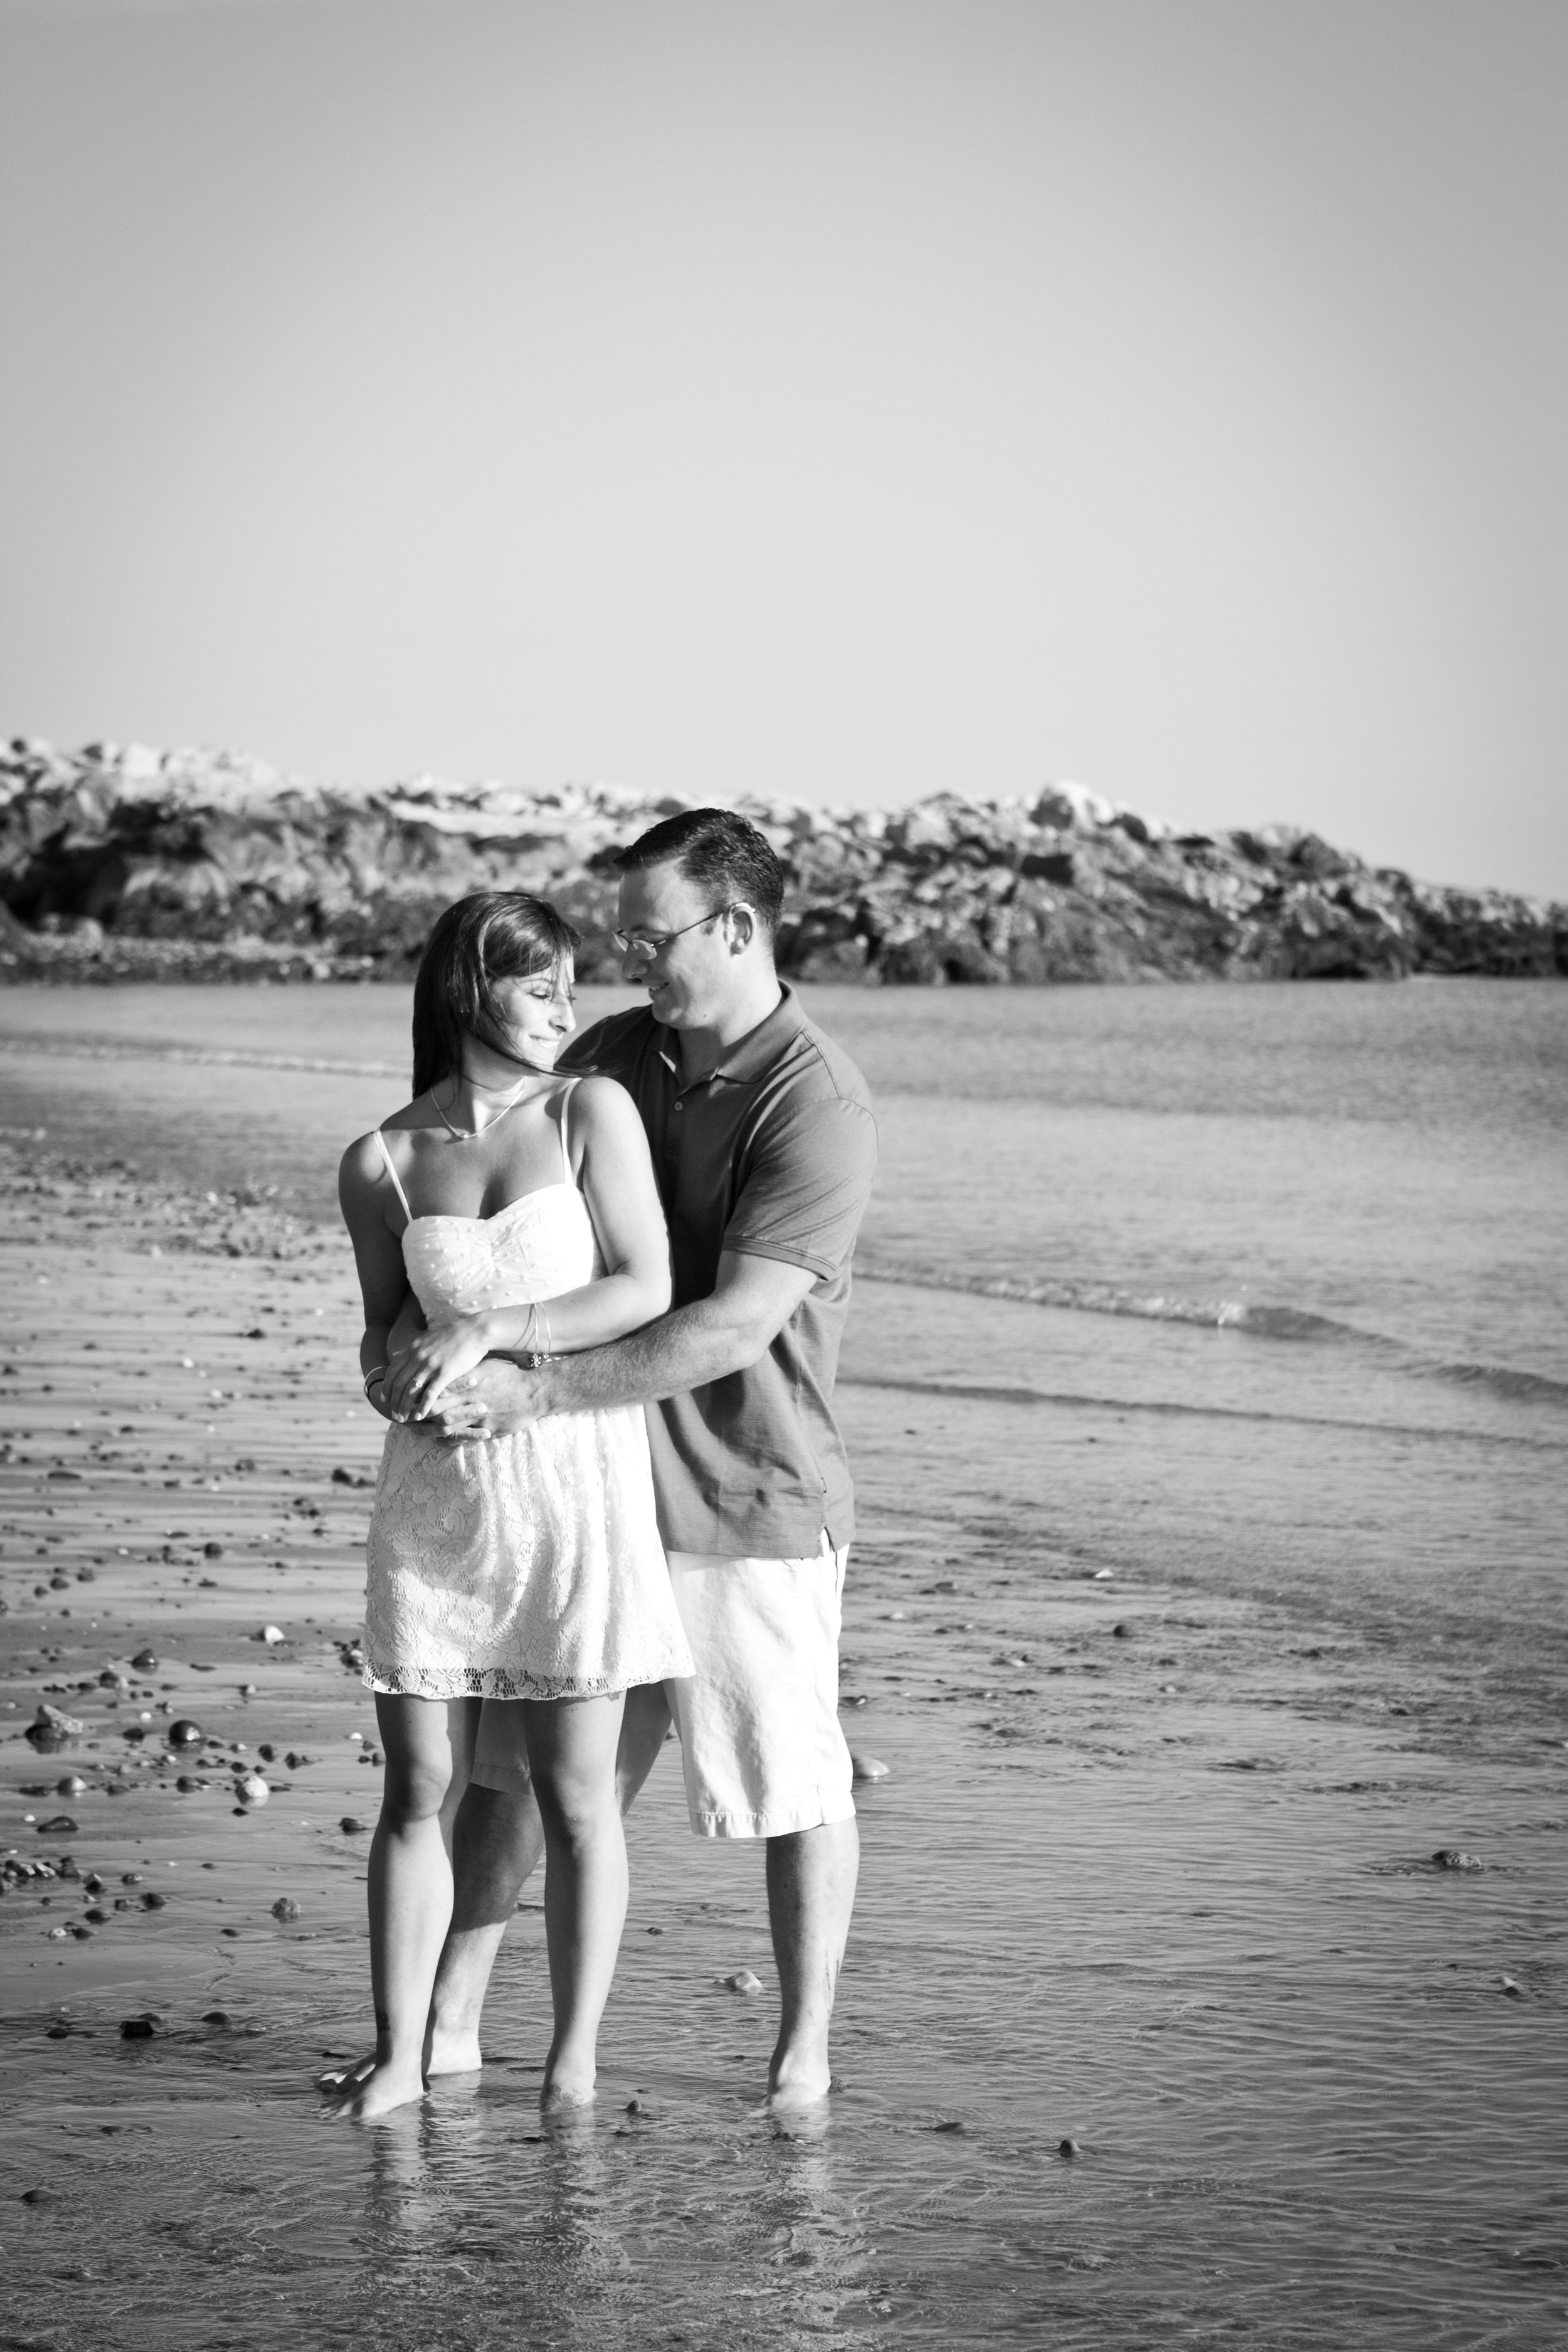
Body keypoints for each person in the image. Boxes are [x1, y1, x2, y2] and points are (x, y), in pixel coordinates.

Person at [391, 808, 879, 2111]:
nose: (627, 962)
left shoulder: (811, 1100)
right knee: (511, 1774)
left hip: (745, 1494)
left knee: (789, 1779)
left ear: (733, 929)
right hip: (597, 1493)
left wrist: (526, 1390)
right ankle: (446, 2027)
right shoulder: (615, 1054)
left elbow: (725, 1328)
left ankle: (799, 2059)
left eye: (648, 938)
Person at [332, 890, 692, 2122]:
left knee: (573, 1794)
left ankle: (570, 2063)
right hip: (439, 1502)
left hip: (573, 1489)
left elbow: (642, 1287)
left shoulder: (589, 1112)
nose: (566, 1009)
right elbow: (382, 1332)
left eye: (571, 987)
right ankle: (402, 2055)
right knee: (418, 1781)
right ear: (469, 989)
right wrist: (397, 1376)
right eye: (541, 987)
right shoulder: (379, 1160)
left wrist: (495, 1329)